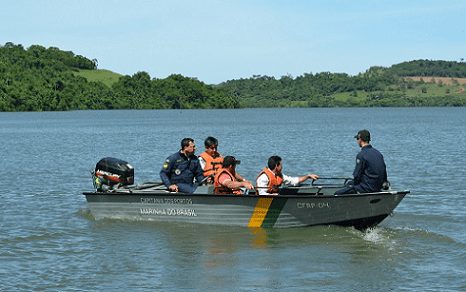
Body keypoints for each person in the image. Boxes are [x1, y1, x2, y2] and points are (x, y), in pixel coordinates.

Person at [335, 129, 388, 195]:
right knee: (349, 183)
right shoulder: (378, 153)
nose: (357, 141)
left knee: (337, 193)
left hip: (367, 188)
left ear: (360, 139)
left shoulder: (361, 155)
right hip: (378, 187)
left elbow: (357, 176)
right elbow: (384, 172)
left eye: (357, 139)